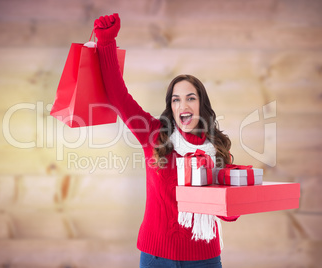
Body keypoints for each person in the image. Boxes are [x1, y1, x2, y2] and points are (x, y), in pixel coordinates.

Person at [94, 13, 239, 268]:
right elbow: (118, 96)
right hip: (155, 257)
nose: (183, 104)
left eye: (191, 98)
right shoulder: (154, 135)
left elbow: (228, 213)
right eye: (176, 99)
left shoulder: (218, 148)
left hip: (204, 258)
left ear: (201, 104)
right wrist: (107, 43)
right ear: (171, 106)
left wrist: (234, 200)